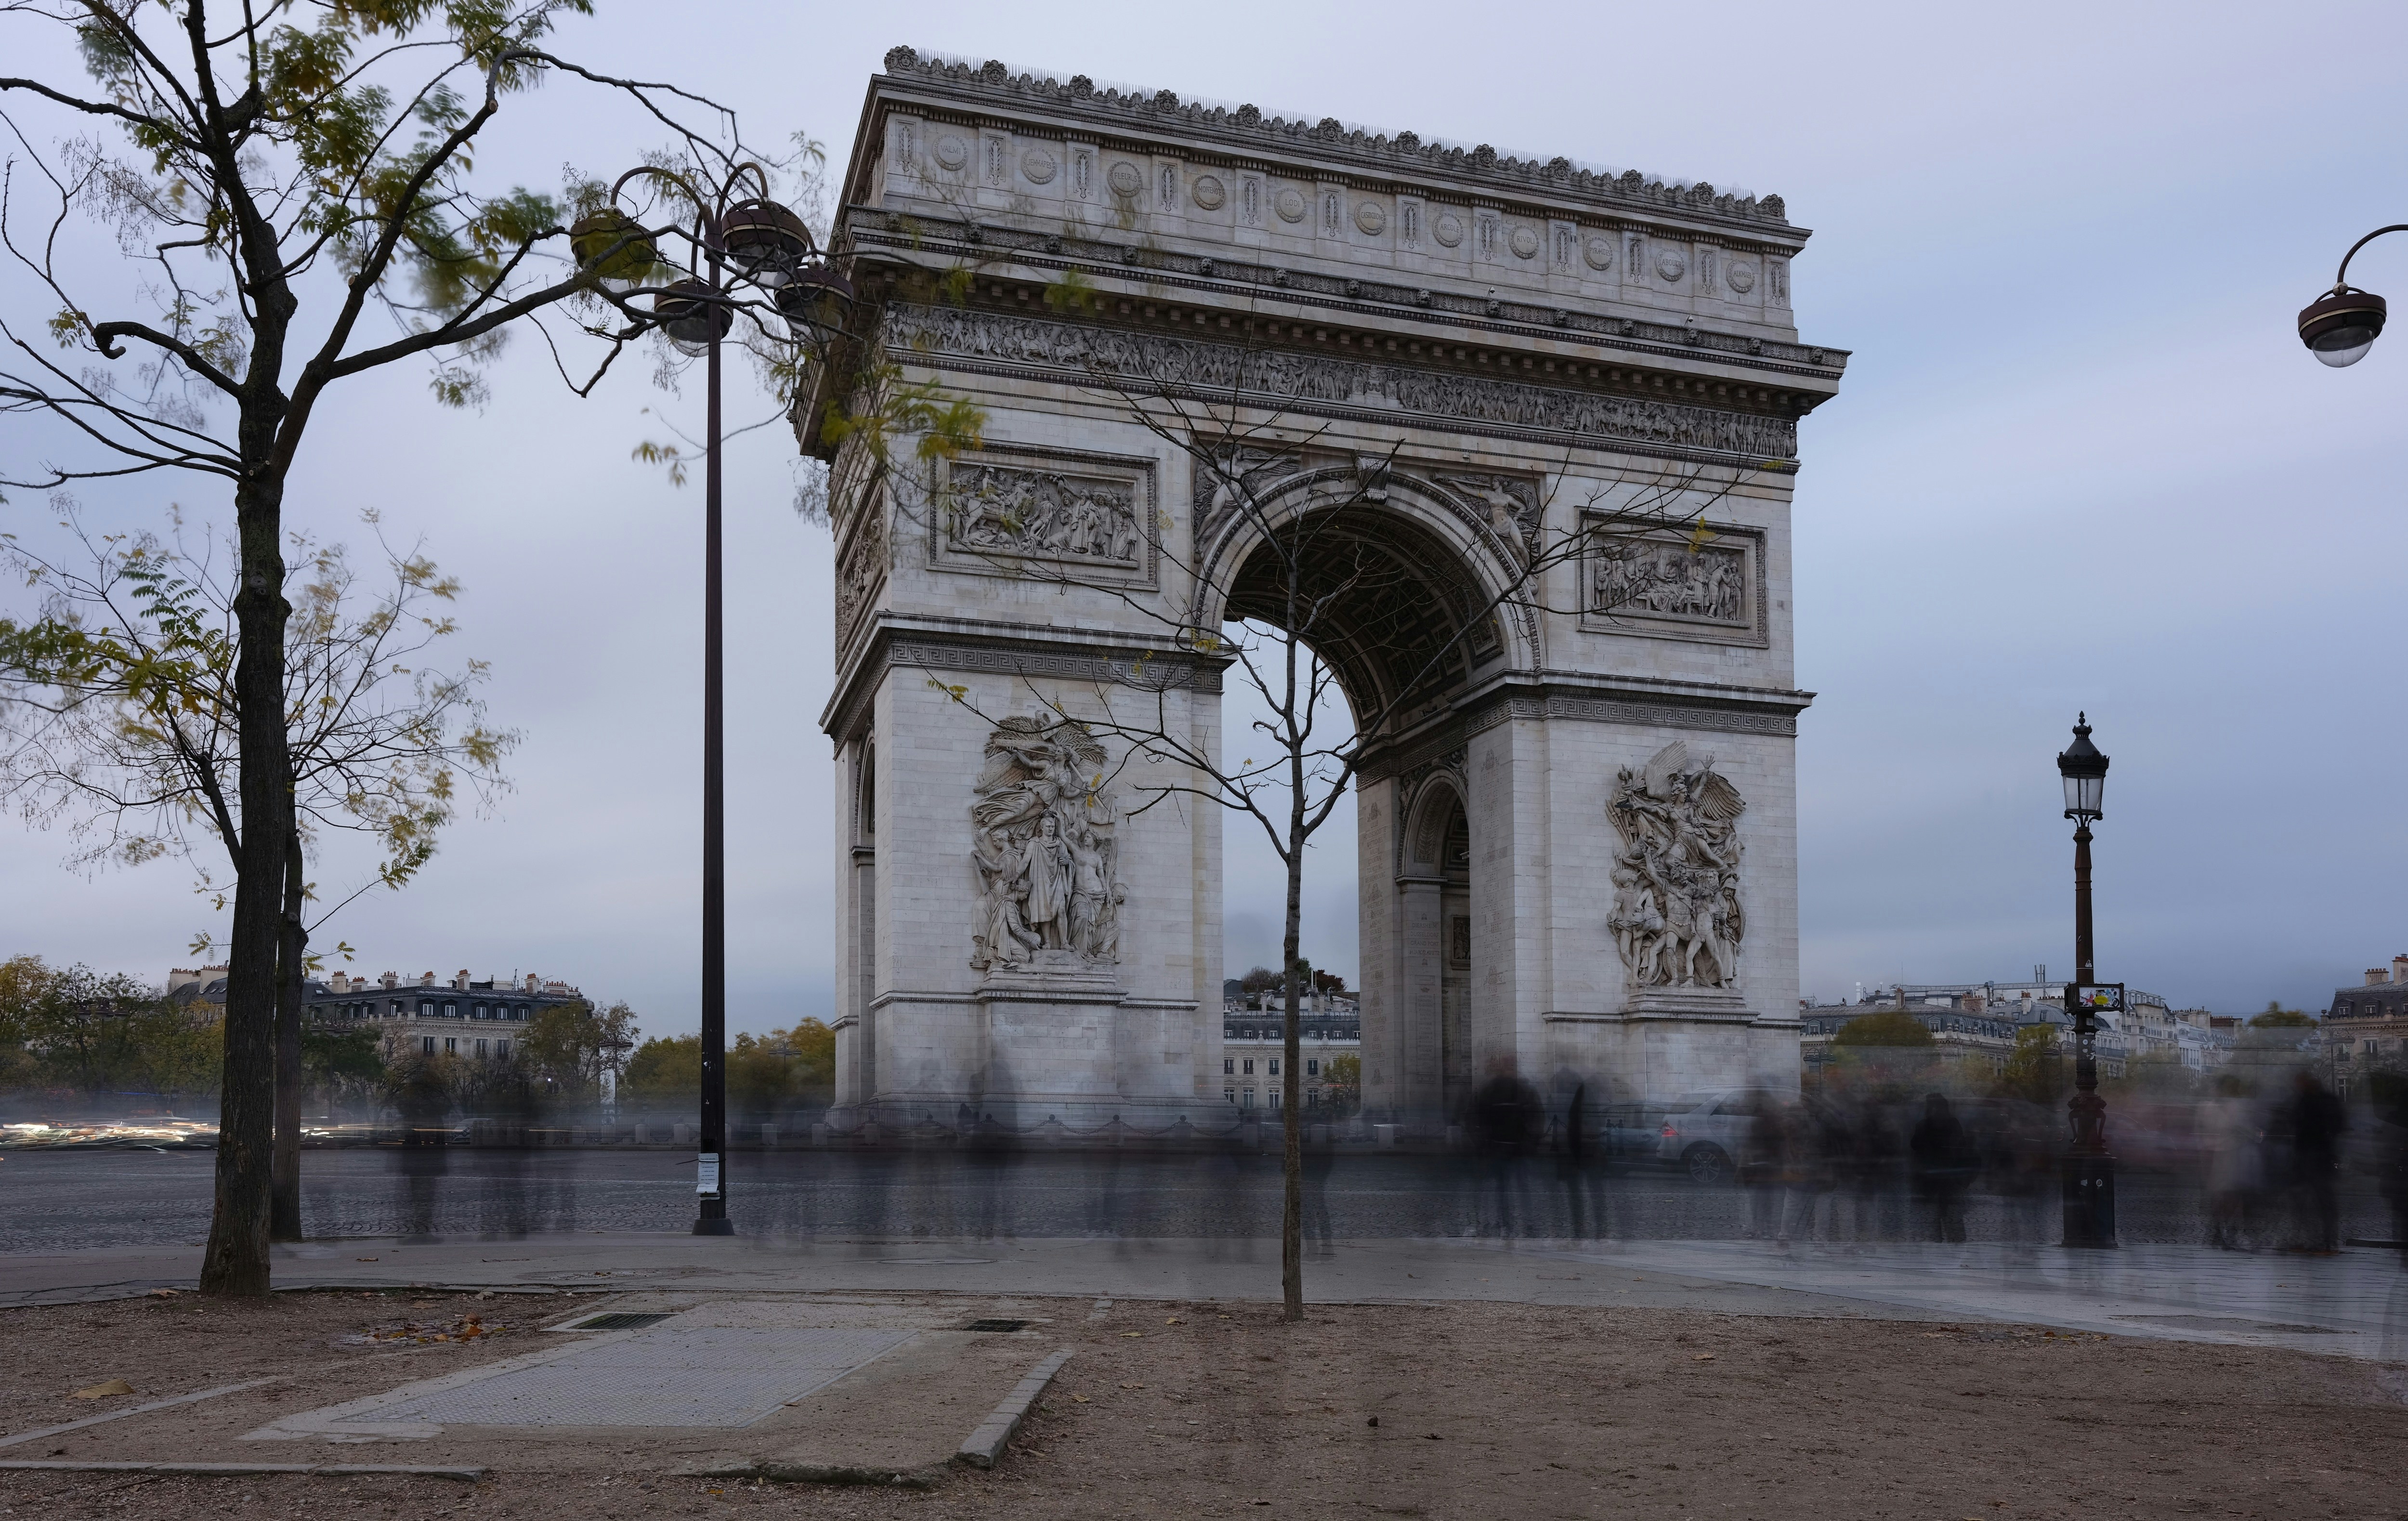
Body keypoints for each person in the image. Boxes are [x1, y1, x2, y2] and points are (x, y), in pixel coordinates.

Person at [2290, 1071, 2348, 1254]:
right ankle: (2323, 1241)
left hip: (2314, 1153)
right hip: (2319, 1153)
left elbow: (2299, 1124)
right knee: (2319, 1200)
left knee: (2316, 1199)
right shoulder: (2322, 1100)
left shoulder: (2308, 1101)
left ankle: (2322, 1241)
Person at [2202, 1075, 2261, 1250]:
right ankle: (2226, 1232)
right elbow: (2247, 1130)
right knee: (2230, 1196)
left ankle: (2220, 1232)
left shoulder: (2210, 1107)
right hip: (2228, 1157)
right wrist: (2257, 1137)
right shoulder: (2235, 1107)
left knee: (2224, 1196)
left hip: (2218, 1157)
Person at [1908, 1091, 1973, 1244]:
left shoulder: (1925, 1125)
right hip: (1946, 1178)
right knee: (1949, 1218)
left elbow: (1916, 1147)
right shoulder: (1950, 1124)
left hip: (1936, 1178)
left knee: (1938, 1218)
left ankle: (1941, 1245)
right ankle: (1951, 1245)